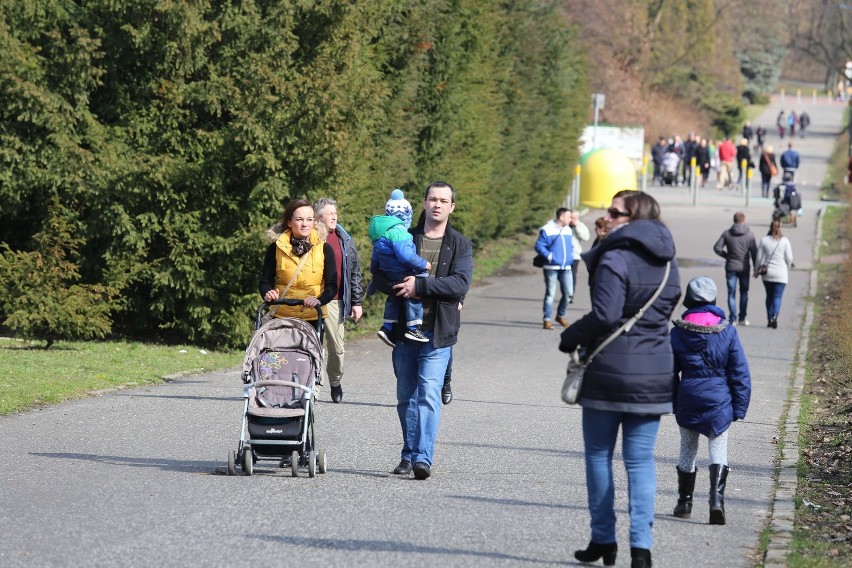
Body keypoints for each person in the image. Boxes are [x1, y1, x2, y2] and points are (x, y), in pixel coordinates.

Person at [558, 190, 681, 568]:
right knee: (641, 461)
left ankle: (603, 539)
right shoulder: (667, 262)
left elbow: (607, 314)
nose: (607, 216)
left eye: (615, 212)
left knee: (598, 455)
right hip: (655, 372)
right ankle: (641, 550)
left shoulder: (615, 257)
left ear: (635, 217)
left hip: (609, 370)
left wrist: (570, 336)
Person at [370, 181, 472, 480]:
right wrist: (402, 287)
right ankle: (409, 452)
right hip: (404, 333)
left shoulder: (460, 244)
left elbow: (460, 283)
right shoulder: (404, 235)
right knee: (406, 398)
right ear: (424, 203)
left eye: (443, 200)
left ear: (452, 206)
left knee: (428, 395)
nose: (437, 205)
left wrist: (421, 285)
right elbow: (380, 273)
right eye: (432, 199)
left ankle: (422, 459)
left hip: (439, 333)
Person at [670, 277, 751, 526]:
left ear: (689, 301)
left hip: (689, 396)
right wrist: (739, 407)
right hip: (719, 401)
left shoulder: (677, 332)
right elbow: (740, 372)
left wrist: (675, 402)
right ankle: (716, 501)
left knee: (687, 449)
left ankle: (684, 502)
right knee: (718, 449)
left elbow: (668, 373)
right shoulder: (727, 331)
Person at [259, 198, 338, 332]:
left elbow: (332, 286)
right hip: (281, 317)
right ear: (289, 222)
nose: (305, 224)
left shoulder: (324, 249)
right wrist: (268, 293)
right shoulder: (276, 248)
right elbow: (265, 281)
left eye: (309, 219)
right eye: (299, 219)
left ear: (314, 221)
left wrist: (319, 300)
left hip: (313, 318)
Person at [313, 197, 364, 403]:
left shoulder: (344, 239)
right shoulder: (309, 237)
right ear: (318, 217)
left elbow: (355, 272)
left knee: (336, 348)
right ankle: (313, 390)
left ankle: (335, 381)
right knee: (312, 346)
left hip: (335, 301)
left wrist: (356, 301)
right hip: (311, 300)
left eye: (335, 213)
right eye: (329, 213)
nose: (334, 216)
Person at [369, 189, 431, 346]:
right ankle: (413, 327)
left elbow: (375, 259)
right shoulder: (400, 233)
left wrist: (374, 278)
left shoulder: (381, 235)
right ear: (406, 215)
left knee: (394, 297)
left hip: (387, 274)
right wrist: (423, 263)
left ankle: (387, 326)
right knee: (415, 289)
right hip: (401, 272)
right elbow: (405, 255)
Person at [713, 212, 757, 326]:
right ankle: (742, 318)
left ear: (734, 220)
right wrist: (757, 268)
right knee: (744, 292)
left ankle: (733, 318)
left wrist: (726, 255)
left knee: (731, 293)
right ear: (744, 220)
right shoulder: (750, 235)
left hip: (731, 266)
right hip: (744, 267)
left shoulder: (727, 234)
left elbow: (717, 248)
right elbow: (754, 253)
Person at [535, 207, 573, 329]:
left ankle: (560, 315)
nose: (570, 219)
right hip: (551, 266)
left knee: (569, 293)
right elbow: (539, 245)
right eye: (568, 217)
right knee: (550, 293)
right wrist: (550, 256)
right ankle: (547, 319)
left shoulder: (568, 230)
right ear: (561, 217)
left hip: (566, 266)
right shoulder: (547, 229)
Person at [754, 219, 794, 329]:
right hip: (781, 274)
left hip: (768, 274)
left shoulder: (764, 240)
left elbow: (758, 258)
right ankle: (775, 315)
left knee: (769, 296)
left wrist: (756, 270)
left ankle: (769, 317)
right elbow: (789, 258)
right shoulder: (785, 241)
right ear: (779, 227)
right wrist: (788, 266)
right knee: (777, 297)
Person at [568, 210, 590, 303]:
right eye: (571, 218)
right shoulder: (564, 226)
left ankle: (571, 294)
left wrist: (576, 226)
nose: (572, 220)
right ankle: (566, 292)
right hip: (564, 254)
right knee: (563, 275)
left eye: (575, 218)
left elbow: (585, 237)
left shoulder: (580, 226)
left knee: (572, 275)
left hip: (575, 255)